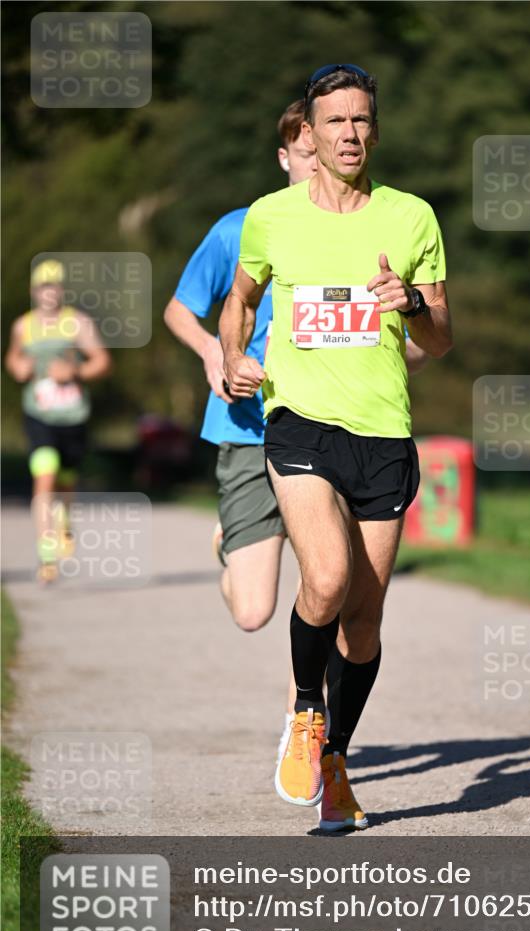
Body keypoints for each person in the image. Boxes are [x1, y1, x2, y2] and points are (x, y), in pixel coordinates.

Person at [219, 64, 453, 831]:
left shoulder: (411, 216)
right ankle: (303, 708)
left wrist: (411, 303)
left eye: (360, 121)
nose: (349, 134)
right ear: (308, 137)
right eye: (334, 123)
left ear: (372, 130)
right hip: (301, 424)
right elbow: (239, 301)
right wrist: (232, 356)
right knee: (324, 575)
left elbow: (442, 339)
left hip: (383, 432)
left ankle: (335, 764)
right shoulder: (271, 218)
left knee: (362, 621)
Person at [165, 99, 432, 753]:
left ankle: (304, 739)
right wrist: (215, 355)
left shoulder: (374, 227)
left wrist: (390, 361)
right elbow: (181, 309)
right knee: (254, 609)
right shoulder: (244, 227)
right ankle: (235, 543)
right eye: (307, 152)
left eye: (334, 146)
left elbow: (411, 337)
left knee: (329, 588)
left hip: (333, 434)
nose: (323, 159)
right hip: (244, 426)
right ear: (286, 156)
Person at [5, 259, 112, 584]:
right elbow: (14, 356)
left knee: (65, 480)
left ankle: (63, 522)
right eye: (42, 286)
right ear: (33, 291)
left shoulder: (77, 323)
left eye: (54, 286)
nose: (48, 293)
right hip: (39, 415)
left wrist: (75, 371)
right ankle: (46, 552)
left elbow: (103, 361)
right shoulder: (23, 326)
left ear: (61, 290)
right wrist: (17, 367)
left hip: (72, 415)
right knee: (44, 473)